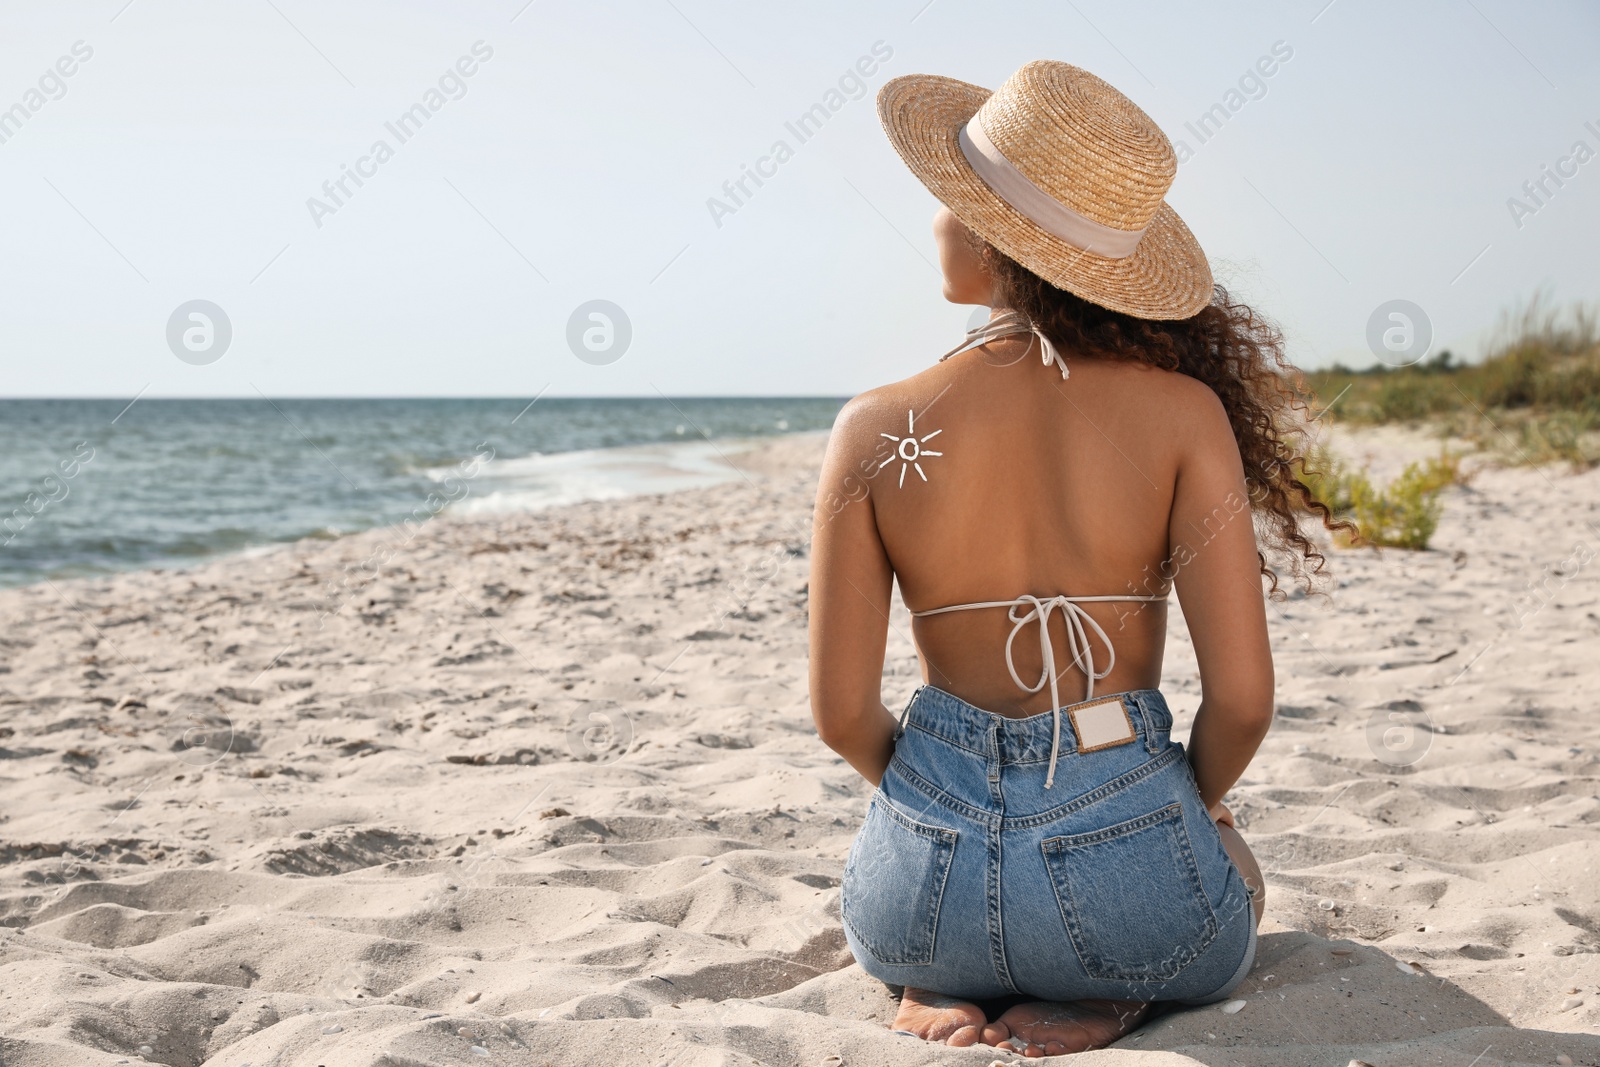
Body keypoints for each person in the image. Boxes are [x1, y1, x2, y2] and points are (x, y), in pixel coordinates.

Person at [807, 61, 1345, 1057]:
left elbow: (842, 713)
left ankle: (935, 977)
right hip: (1115, 815)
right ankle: (1102, 992)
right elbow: (1243, 700)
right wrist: (1190, 798)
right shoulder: (1183, 415)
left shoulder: (872, 426)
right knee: (1233, 874)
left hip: (918, 892)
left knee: (936, 902)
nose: (933, 222)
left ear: (989, 234)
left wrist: (954, 786)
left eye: (946, 202)